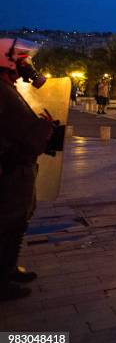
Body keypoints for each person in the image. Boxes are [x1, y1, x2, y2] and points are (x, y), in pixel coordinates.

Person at [0, 38, 60, 300]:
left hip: (16, 167)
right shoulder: (3, 91)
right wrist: (46, 128)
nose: (26, 68)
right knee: (9, 223)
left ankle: (8, 269)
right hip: (11, 169)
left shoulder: (7, 88)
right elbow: (25, 131)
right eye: (21, 61)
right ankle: (2, 279)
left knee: (17, 222)